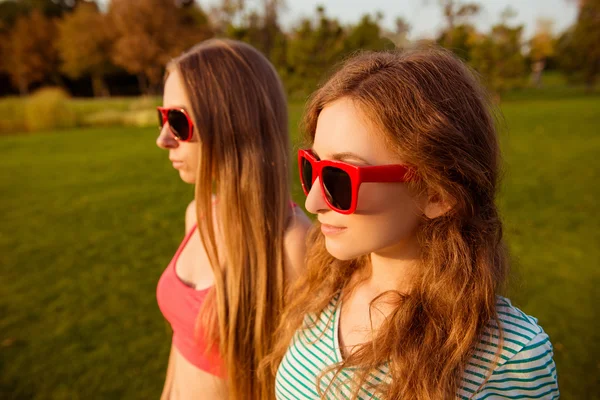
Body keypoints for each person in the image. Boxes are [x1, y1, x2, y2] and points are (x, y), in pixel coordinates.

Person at [267, 48, 559, 399]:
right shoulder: (322, 290)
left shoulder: (509, 357)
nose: (313, 201)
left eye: (340, 178)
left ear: (437, 193)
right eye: (311, 168)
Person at [155, 39, 311, 400]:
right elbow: (182, 344)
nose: (163, 139)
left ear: (232, 123)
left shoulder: (293, 243)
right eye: (163, 118)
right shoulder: (197, 216)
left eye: (177, 121)